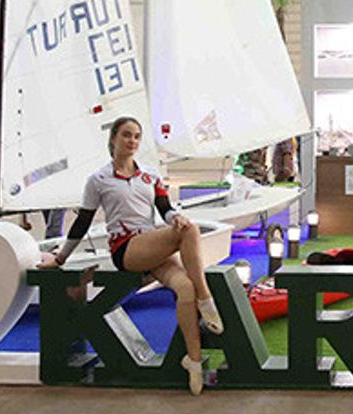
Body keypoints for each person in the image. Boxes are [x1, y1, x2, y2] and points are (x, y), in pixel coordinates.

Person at [39, 117, 221, 395]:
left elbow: (165, 208)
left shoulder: (150, 175)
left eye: (136, 136)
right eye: (126, 135)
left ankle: (193, 362)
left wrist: (175, 217)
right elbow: (82, 222)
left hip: (151, 244)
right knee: (191, 231)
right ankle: (206, 298)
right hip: (126, 249)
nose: (132, 141)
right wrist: (60, 258)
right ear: (113, 138)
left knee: (185, 287)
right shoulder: (98, 180)